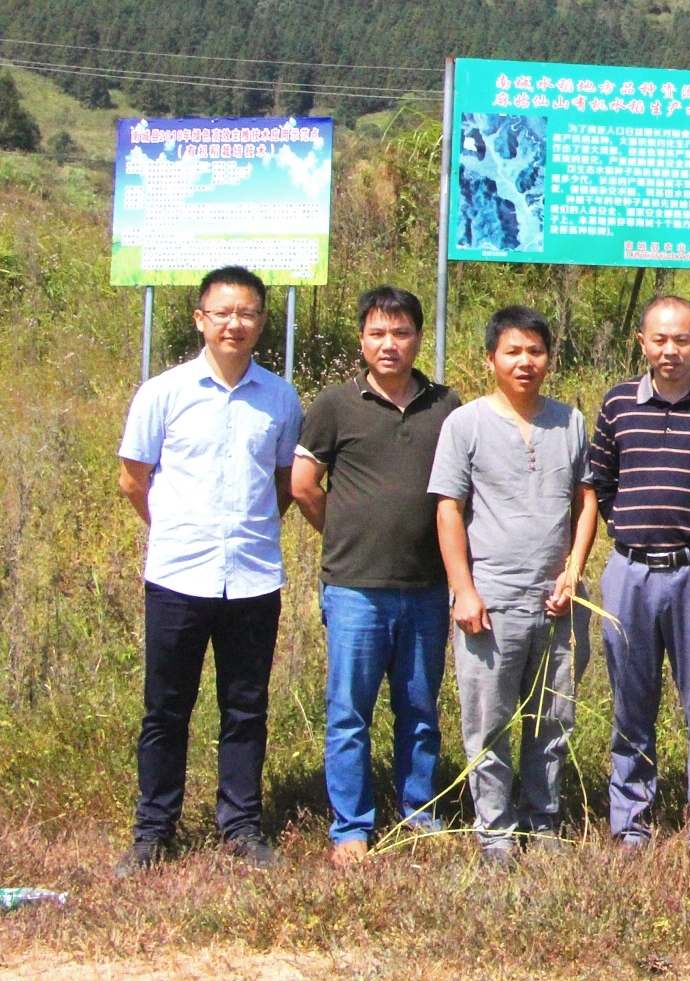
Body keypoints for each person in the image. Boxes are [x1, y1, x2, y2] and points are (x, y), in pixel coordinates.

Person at [113, 265, 303, 875]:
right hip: (178, 576)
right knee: (166, 708)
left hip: (252, 576)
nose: (235, 323)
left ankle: (240, 825)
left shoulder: (280, 397)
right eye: (222, 312)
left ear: (261, 322)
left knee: (245, 707)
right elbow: (133, 480)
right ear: (200, 318)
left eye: (247, 313)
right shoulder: (162, 393)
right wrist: (177, 530)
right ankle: (153, 829)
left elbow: (282, 486)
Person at [293, 287, 462, 864]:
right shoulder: (335, 405)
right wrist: (344, 535)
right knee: (349, 712)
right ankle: (351, 827)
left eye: (401, 333)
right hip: (355, 590)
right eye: (377, 334)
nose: (389, 345)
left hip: (426, 588)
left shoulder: (446, 405)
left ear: (419, 336)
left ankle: (420, 812)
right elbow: (303, 485)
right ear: (361, 339)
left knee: (419, 710)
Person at [428, 306, 597, 868]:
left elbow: (586, 500)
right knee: (489, 716)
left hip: (557, 599)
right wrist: (464, 589)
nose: (525, 362)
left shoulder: (570, 422)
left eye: (536, 351)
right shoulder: (466, 424)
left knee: (554, 716)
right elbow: (448, 508)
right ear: (491, 360)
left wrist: (573, 570)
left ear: (549, 358)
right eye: (512, 352)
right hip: (492, 598)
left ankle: (543, 818)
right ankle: (494, 829)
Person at [585, 295, 690, 853]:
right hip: (630, 574)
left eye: (681, 339)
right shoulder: (618, 403)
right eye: (659, 339)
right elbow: (600, 483)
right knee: (632, 703)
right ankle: (631, 821)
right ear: (642, 342)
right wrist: (632, 531)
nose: (670, 350)